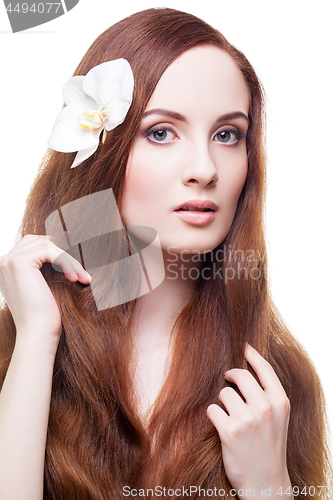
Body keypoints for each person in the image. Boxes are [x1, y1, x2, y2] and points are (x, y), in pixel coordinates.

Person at [0, 8, 331, 500]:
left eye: (227, 135)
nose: (204, 168)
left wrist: (271, 489)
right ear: (102, 151)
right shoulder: (18, 347)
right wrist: (36, 343)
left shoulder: (274, 383)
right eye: (161, 132)